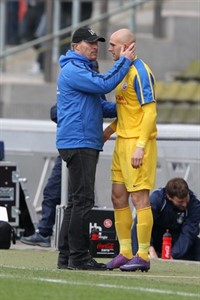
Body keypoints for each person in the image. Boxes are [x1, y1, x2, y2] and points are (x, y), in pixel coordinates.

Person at [56, 26, 136, 271]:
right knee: (83, 201)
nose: (95, 47)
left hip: (79, 141)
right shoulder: (74, 70)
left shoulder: (80, 70)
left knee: (75, 201)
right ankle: (78, 258)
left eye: (96, 43)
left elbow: (101, 106)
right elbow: (104, 85)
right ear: (75, 47)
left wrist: (130, 106)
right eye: (89, 43)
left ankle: (66, 258)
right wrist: (124, 62)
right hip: (80, 141)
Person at [104, 28, 157, 272]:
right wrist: (109, 131)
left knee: (140, 198)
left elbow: (149, 112)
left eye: (114, 44)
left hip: (137, 144)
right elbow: (127, 111)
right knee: (118, 196)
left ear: (128, 46)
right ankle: (125, 252)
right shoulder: (123, 72)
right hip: (121, 142)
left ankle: (143, 255)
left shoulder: (141, 72)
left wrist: (139, 146)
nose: (109, 48)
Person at [20, 104, 61, 247]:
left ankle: (75, 242)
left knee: (79, 198)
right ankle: (44, 232)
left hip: (81, 146)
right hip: (68, 146)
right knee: (52, 192)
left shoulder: (92, 84)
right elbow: (54, 112)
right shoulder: (71, 84)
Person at [132, 178, 200, 261]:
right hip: (155, 235)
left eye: (186, 199)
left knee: (196, 245)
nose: (185, 204)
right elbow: (143, 222)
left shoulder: (194, 205)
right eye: (180, 202)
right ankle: (138, 255)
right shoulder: (157, 199)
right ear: (169, 197)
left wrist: (172, 255)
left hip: (175, 237)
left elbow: (188, 233)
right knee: (140, 222)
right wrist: (149, 248)